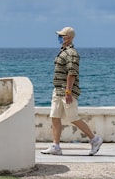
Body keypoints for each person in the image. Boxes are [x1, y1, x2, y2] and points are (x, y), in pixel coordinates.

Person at [41, 26, 103, 156]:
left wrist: (68, 92)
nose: (58, 38)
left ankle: (95, 139)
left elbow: (72, 73)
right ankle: (56, 146)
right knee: (55, 117)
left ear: (68, 38)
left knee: (73, 118)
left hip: (66, 91)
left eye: (61, 35)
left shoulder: (72, 53)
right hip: (58, 90)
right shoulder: (63, 51)